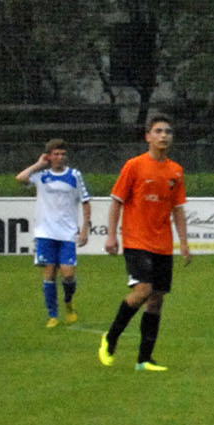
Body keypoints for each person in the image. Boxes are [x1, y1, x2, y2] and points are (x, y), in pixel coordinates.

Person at [97, 115, 190, 372]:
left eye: (168, 131)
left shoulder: (176, 171)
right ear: (148, 136)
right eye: (158, 131)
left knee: (156, 299)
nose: (164, 135)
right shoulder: (134, 166)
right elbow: (117, 201)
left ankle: (144, 360)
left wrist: (184, 243)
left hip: (163, 243)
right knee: (143, 290)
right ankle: (111, 337)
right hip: (137, 240)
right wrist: (112, 235)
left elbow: (178, 209)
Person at [17, 138, 91, 327]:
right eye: (56, 154)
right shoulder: (41, 176)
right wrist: (38, 164)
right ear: (49, 156)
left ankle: (68, 302)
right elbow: (21, 178)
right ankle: (53, 315)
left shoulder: (74, 175)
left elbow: (85, 202)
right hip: (45, 232)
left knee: (68, 274)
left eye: (63, 154)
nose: (60, 157)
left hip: (67, 233)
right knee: (49, 273)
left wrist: (85, 228)